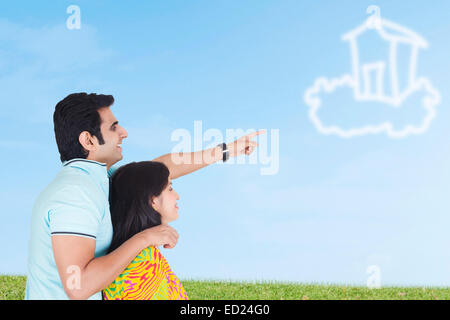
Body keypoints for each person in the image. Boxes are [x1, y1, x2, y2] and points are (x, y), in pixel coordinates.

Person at [26, 92, 263, 300]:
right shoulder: (75, 194)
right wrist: (145, 238)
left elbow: (156, 171)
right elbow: (78, 286)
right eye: (113, 127)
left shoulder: (96, 179)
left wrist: (224, 151)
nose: (124, 132)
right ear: (88, 140)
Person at [103, 161, 187, 300]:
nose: (177, 196)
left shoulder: (138, 254)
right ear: (152, 199)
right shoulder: (145, 264)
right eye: (170, 188)